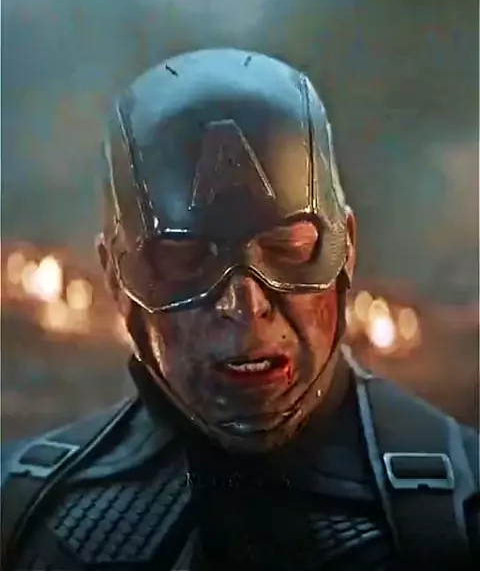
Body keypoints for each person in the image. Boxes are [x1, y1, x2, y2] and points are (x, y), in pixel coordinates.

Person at [1, 49, 478, 571]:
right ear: (116, 276)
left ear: (346, 246)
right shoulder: (25, 512)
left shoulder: (460, 509)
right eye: (185, 259)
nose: (244, 306)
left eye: (288, 249)